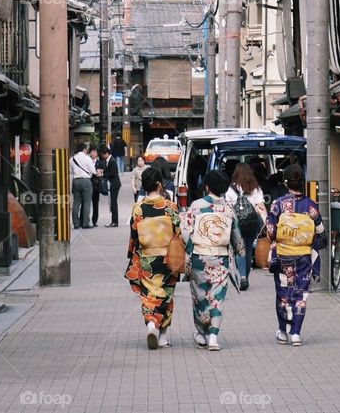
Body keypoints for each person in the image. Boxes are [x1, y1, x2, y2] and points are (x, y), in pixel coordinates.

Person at [180, 169, 245, 351]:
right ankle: (214, 336)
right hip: (220, 258)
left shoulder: (196, 206)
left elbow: (185, 231)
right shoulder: (227, 209)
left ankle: (201, 334)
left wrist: (189, 248)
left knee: (199, 296)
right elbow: (236, 236)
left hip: (199, 258)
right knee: (217, 298)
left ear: (206, 186)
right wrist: (241, 251)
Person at [266, 163, 326, 347]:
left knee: (284, 292)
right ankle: (296, 333)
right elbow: (321, 233)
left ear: (286, 182)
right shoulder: (311, 206)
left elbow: (270, 232)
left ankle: (283, 331)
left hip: (284, 255)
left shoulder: (278, 204)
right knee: (301, 293)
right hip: (304, 257)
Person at [126, 167, 181, 349]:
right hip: (167, 258)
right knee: (166, 294)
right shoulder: (170, 207)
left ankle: (151, 323)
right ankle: (163, 336)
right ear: (159, 185)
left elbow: (134, 234)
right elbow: (178, 232)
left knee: (149, 294)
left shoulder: (138, 208)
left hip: (147, 258)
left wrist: (131, 253)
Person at [225, 163, 268, 291]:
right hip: (252, 223)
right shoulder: (256, 188)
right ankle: (246, 278)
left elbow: (228, 207)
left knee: (239, 248)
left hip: (237, 223)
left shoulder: (231, 189)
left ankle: (242, 277)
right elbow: (260, 207)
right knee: (249, 249)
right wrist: (266, 222)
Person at [70, 143, 96, 229]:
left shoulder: (72, 159)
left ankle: (76, 223)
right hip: (86, 181)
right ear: (84, 149)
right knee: (86, 203)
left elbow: (70, 171)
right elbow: (93, 170)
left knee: (76, 203)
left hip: (76, 181)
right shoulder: (87, 158)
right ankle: (85, 223)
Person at [100, 146, 121, 227]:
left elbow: (113, 173)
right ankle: (113, 221)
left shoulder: (112, 161)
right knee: (112, 203)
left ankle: (115, 221)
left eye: (103, 155)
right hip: (112, 184)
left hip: (115, 184)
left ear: (107, 153)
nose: (103, 157)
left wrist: (103, 174)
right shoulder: (108, 160)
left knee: (113, 203)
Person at [89, 146, 102, 227]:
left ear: (97, 154)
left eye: (94, 152)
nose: (93, 153)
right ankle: (84, 220)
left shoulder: (100, 163)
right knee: (85, 203)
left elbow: (101, 174)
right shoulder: (87, 161)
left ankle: (94, 221)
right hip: (88, 184)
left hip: (96, 186)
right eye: (92, 152)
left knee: (95, 204)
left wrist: (99, 174)